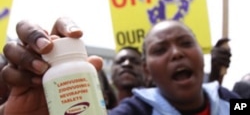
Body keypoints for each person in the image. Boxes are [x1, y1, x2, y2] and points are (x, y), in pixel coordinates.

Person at [0, 19, 240, 115]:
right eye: (160, 49)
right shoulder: (133, 112)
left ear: (201, 53)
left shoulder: (232, 102)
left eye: (186, 43)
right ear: (146, 70)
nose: (176, 53)